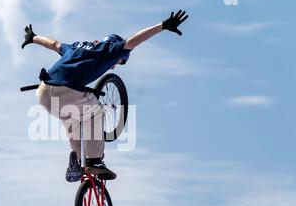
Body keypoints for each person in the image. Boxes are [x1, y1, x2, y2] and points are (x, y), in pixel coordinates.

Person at [21, 10, 188, 182]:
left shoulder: (77, 46)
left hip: (43, 92)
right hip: (67, 91)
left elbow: (54, 44)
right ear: (120, 55)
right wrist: (162, 26)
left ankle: (79, 160)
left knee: (71, 119)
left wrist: (33, 37)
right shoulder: (109, 50)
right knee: (95, 112)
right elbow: (134, 41)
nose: (114, 67)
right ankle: (94, 160)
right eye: (120, 62)